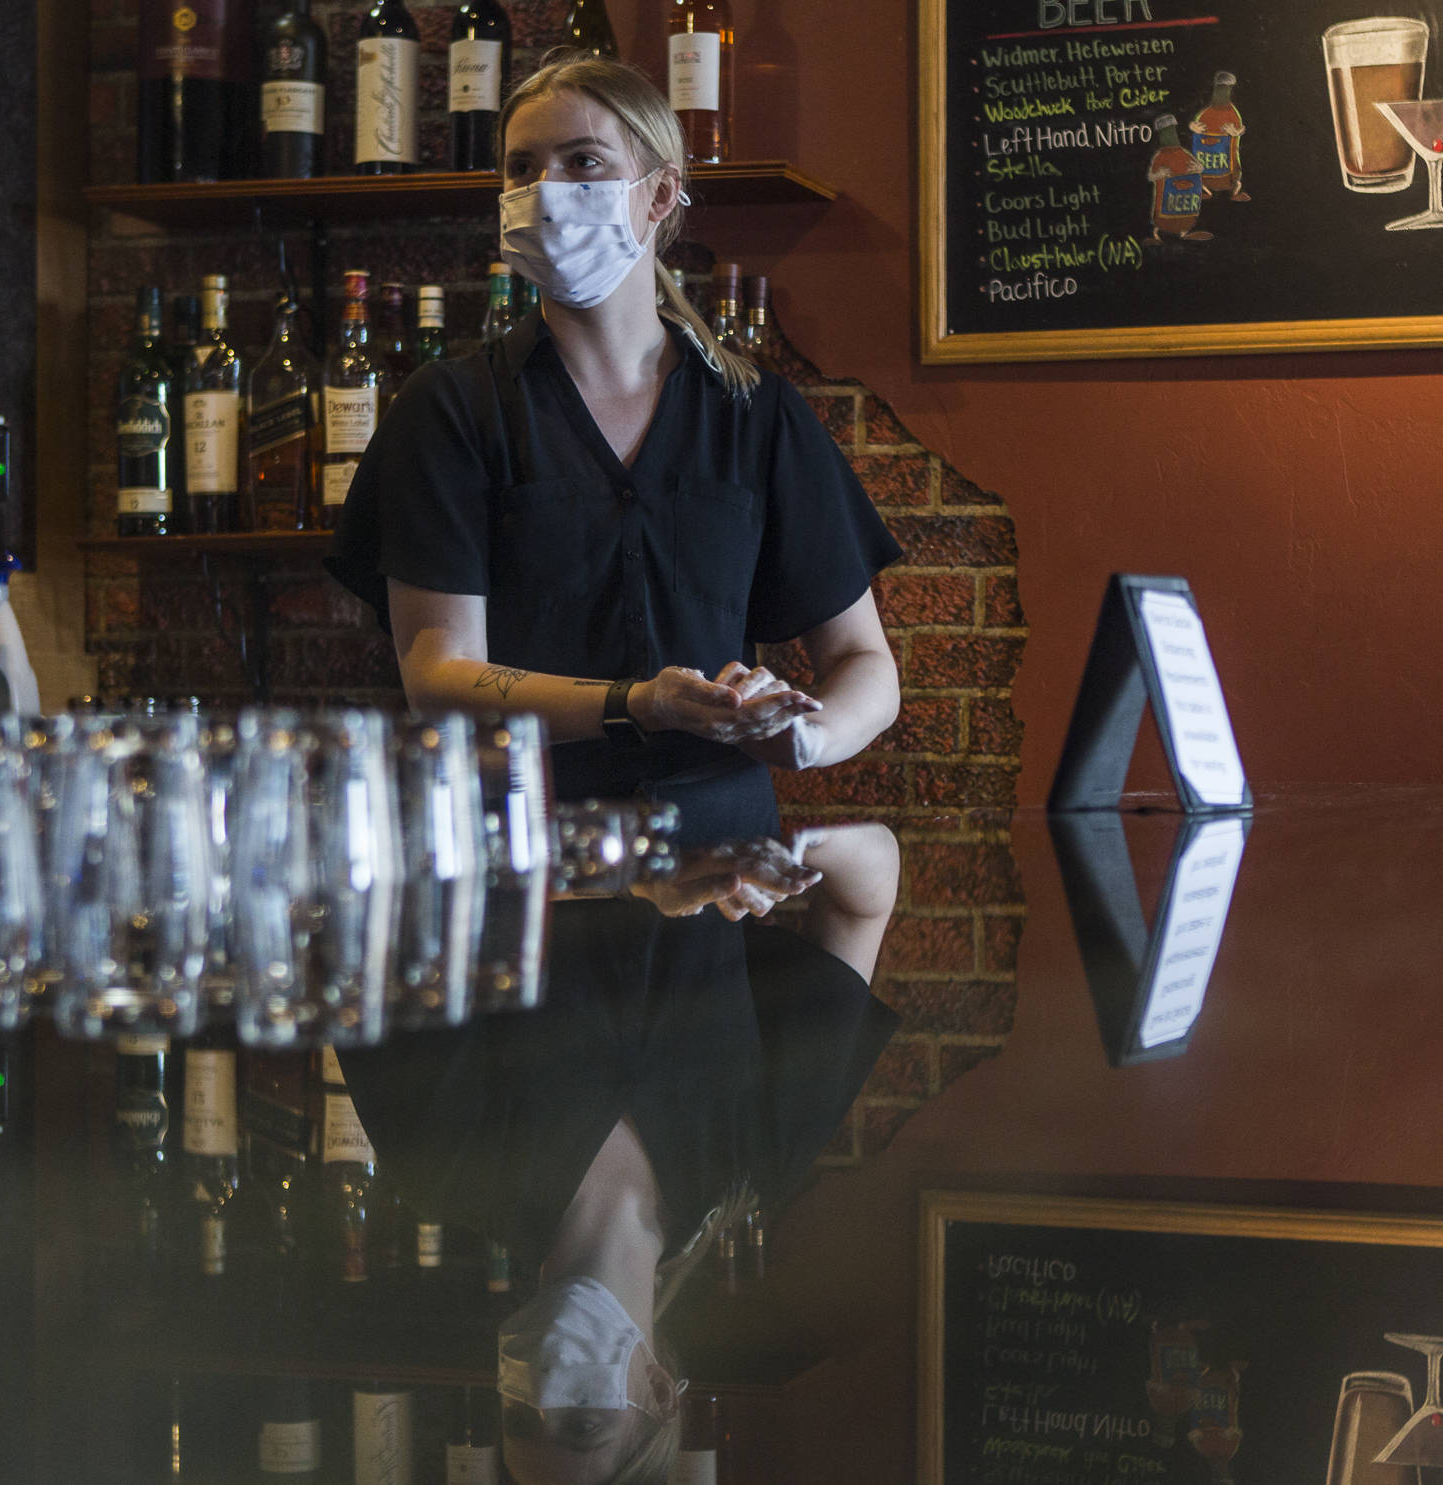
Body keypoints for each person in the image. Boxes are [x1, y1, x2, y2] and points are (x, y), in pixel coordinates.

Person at [326, 53, 902, 840]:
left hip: (723, 866)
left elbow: (864, 664)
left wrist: (809, 734)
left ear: (660, 193)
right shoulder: (452, 409)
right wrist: (637, 704)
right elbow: (438, 677)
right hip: (527, 859)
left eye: (583, 161)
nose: (546, 190)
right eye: (521, 168)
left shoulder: (755, 414)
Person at [336, 821, 902, 1485]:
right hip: (708, 755)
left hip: (528, 741)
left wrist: (627, 869)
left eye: (519, 1419)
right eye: (582, 1423)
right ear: (662, 1393)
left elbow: (382, 879)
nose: (543, 1396)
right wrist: (791, 848)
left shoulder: (447, 1162)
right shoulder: (755, 1158)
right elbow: (864, 901)